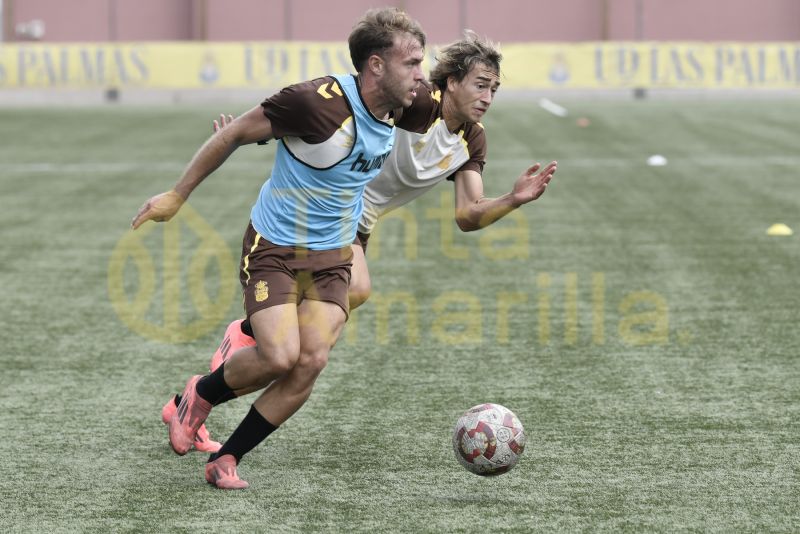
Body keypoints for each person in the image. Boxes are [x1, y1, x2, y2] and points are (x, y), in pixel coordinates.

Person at [167, 31, 558, 453]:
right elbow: (339, 108)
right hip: (331, 214)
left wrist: (513, 199)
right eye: (481, 84)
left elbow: (468, 213)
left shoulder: (471, 139)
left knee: (301, 350)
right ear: (450, 82)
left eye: (495, 89)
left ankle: (221, 369)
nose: (488, 97)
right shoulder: (413, 100)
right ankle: (237, 347)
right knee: (335, 310)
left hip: (358, 224)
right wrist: (262, 130)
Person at [132, 7, 427, 489]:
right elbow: (232, 134)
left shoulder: (409, 101)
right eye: (412, 62)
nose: (422, 75)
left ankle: (225, 459)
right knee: (279, 356)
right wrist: (177, 195)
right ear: (375, 65)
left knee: (311, 361)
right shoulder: (315, 103)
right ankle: (199, 394)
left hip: (335, 256)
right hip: (275, 247)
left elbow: (455, 107)